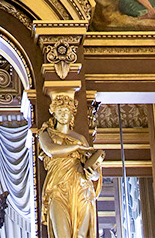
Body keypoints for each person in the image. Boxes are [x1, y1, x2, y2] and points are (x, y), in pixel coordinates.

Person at [38, 93, 102, 238]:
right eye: (60, 111)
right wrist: (76, 147)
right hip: (57, 188)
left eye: (66, 110)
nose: (63, 114)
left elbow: (93, 168)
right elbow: (51, 150)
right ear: (53, 112)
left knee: (81, 235)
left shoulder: (80, 139)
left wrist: (94, 174)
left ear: (72, 112)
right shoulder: (47, 133)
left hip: (81, 187)